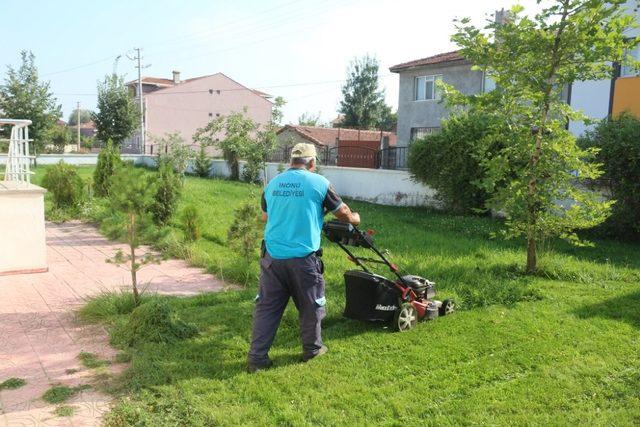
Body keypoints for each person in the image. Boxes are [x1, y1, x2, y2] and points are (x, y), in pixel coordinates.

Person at [247, 143, 361, 372]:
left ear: (291, 161)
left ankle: (257, 360)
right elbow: (343, 213)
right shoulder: (319, 182)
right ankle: (312, 350)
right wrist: (355, 218)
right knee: (311, 306)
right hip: (303, 259)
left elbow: (264, 216)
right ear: (312, 162)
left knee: (267, 308)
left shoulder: (273, 184)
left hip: (272, 257)